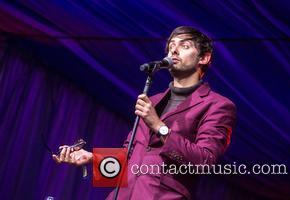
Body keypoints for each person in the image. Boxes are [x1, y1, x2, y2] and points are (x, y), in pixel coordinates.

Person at [53, 26, 236, 199]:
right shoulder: (153, 100)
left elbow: (205, 162)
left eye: (184, 46)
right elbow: (130, 158)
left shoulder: (218, 105)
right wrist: (93, 159)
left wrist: (159, 127)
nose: (173, 51)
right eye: (171, 46)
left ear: (203, 58)